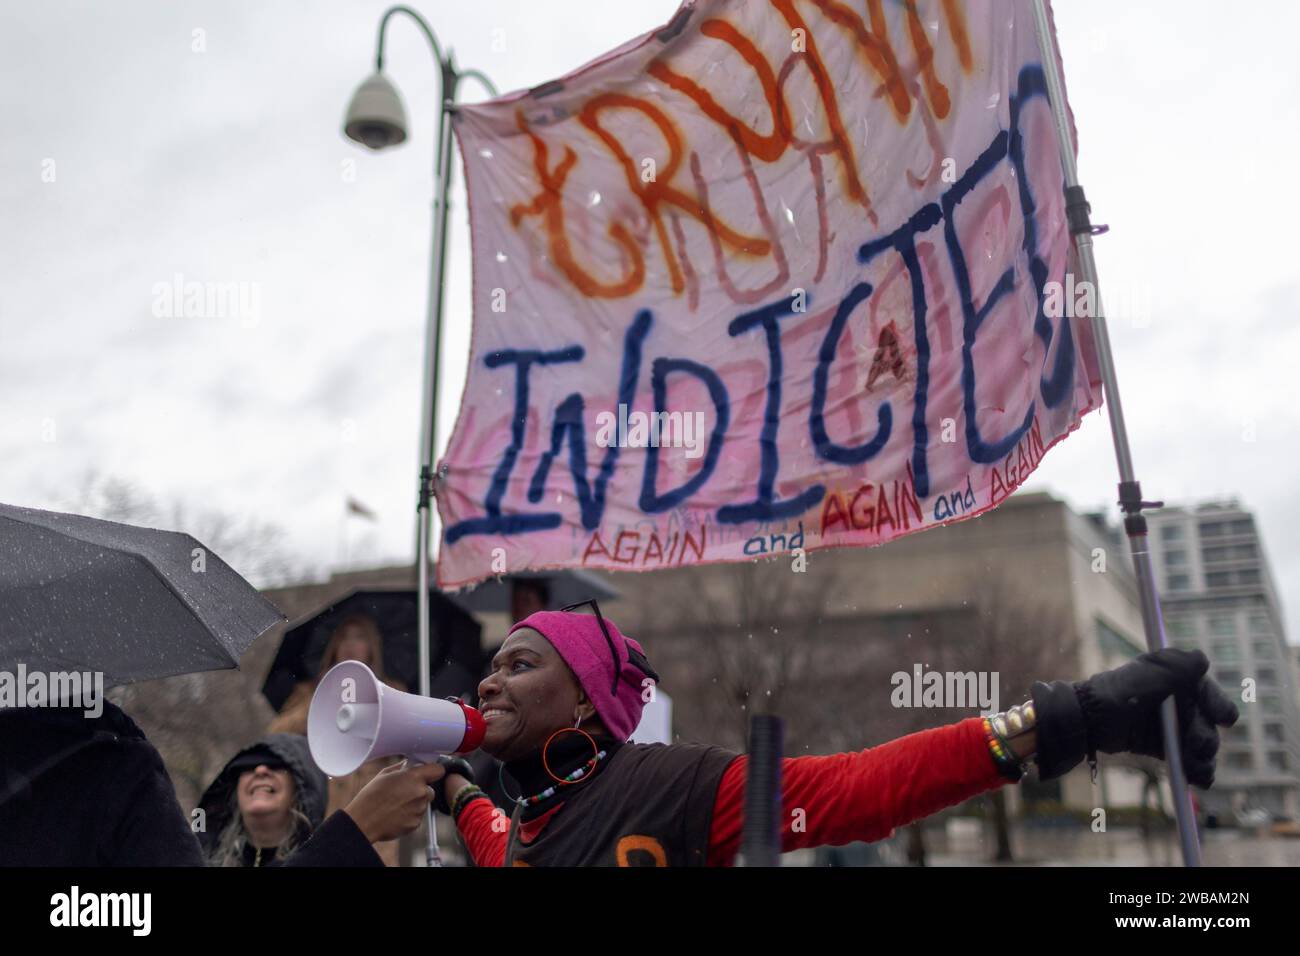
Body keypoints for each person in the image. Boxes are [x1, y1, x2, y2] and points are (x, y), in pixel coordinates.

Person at [417, 606, 1238, 867]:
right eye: (492, 667)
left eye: (519, 664)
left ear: (590, 706)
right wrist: (452, 786)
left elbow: (858, 789)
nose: (489, 682)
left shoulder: (675, 785)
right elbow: (494, 841)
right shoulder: (527, 823)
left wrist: (1064, 720)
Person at [0, 696, 445, 867]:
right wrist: (355, 831)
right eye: (247, 768)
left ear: (304, 793)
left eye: (275, 768)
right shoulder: (112, 758)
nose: (260, 772)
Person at [268, 613, 406, 864]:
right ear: (334, 647)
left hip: (376, 796)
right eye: (344, 638)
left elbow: (408, 738)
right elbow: (277, 734)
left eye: (360, 637)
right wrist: (321, 699)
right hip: (322, 796)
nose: (351, 645)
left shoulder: (391, 690)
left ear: (372, 647)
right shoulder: (309, 691)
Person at [197, 734, 327, 866]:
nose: (260, 770)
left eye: (276, 765)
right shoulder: (198, 859)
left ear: (301, 787)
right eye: (248, 765)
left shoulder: (328, 861)